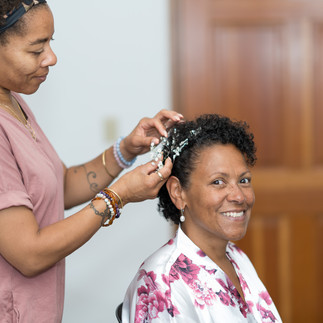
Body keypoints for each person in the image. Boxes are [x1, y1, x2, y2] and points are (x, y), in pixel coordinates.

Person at [0, 0, 184, 322]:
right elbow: (29, 254)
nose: (51, 58)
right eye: (36, 49)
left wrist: (126, 149)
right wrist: (119, 196)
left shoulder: (14, 104)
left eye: (50, 43)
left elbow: (63, 185)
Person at [122, 114, 282, 322]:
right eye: (218, 182)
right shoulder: (163, 283)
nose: (239, 196)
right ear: (178, 192)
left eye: (244, 180)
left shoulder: (236, 256)